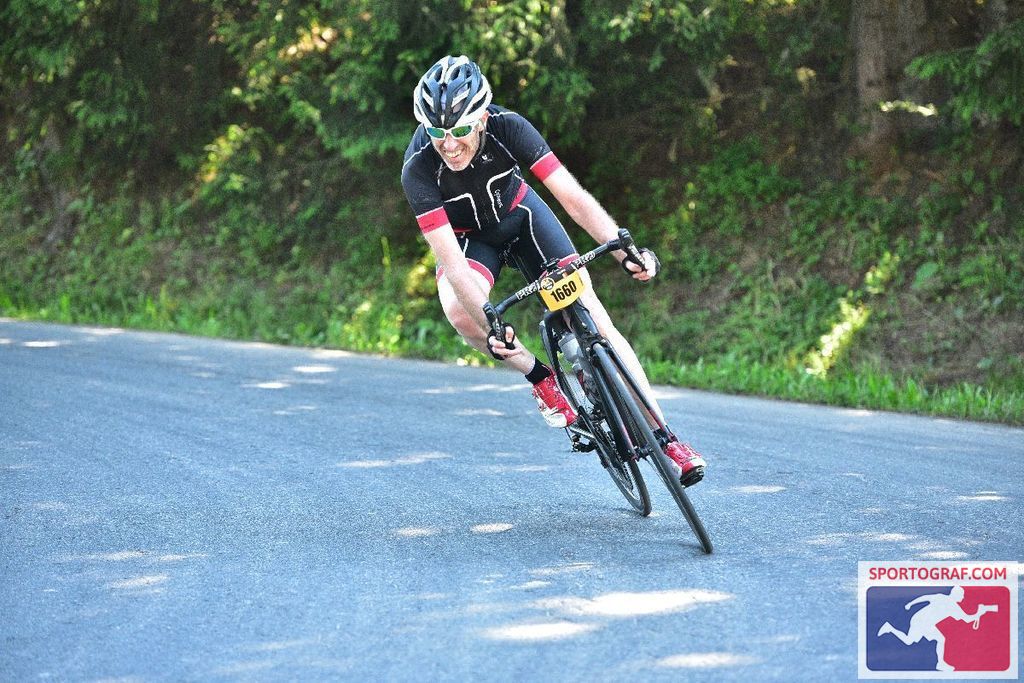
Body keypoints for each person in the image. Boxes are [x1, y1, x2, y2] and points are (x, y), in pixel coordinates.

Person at [400, 55, 705, 487]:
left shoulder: (509, 127)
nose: (448, 145)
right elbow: (451, 263)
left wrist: (624, 253)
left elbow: (572, 197)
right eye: (436, 133)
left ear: (482, 118)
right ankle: (540, 377)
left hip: (520, 217)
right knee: (458, 309)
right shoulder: (417, 168)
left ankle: (666, 439)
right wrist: (491, 324)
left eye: (460, 130)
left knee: (595, 317)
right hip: (469, 240)